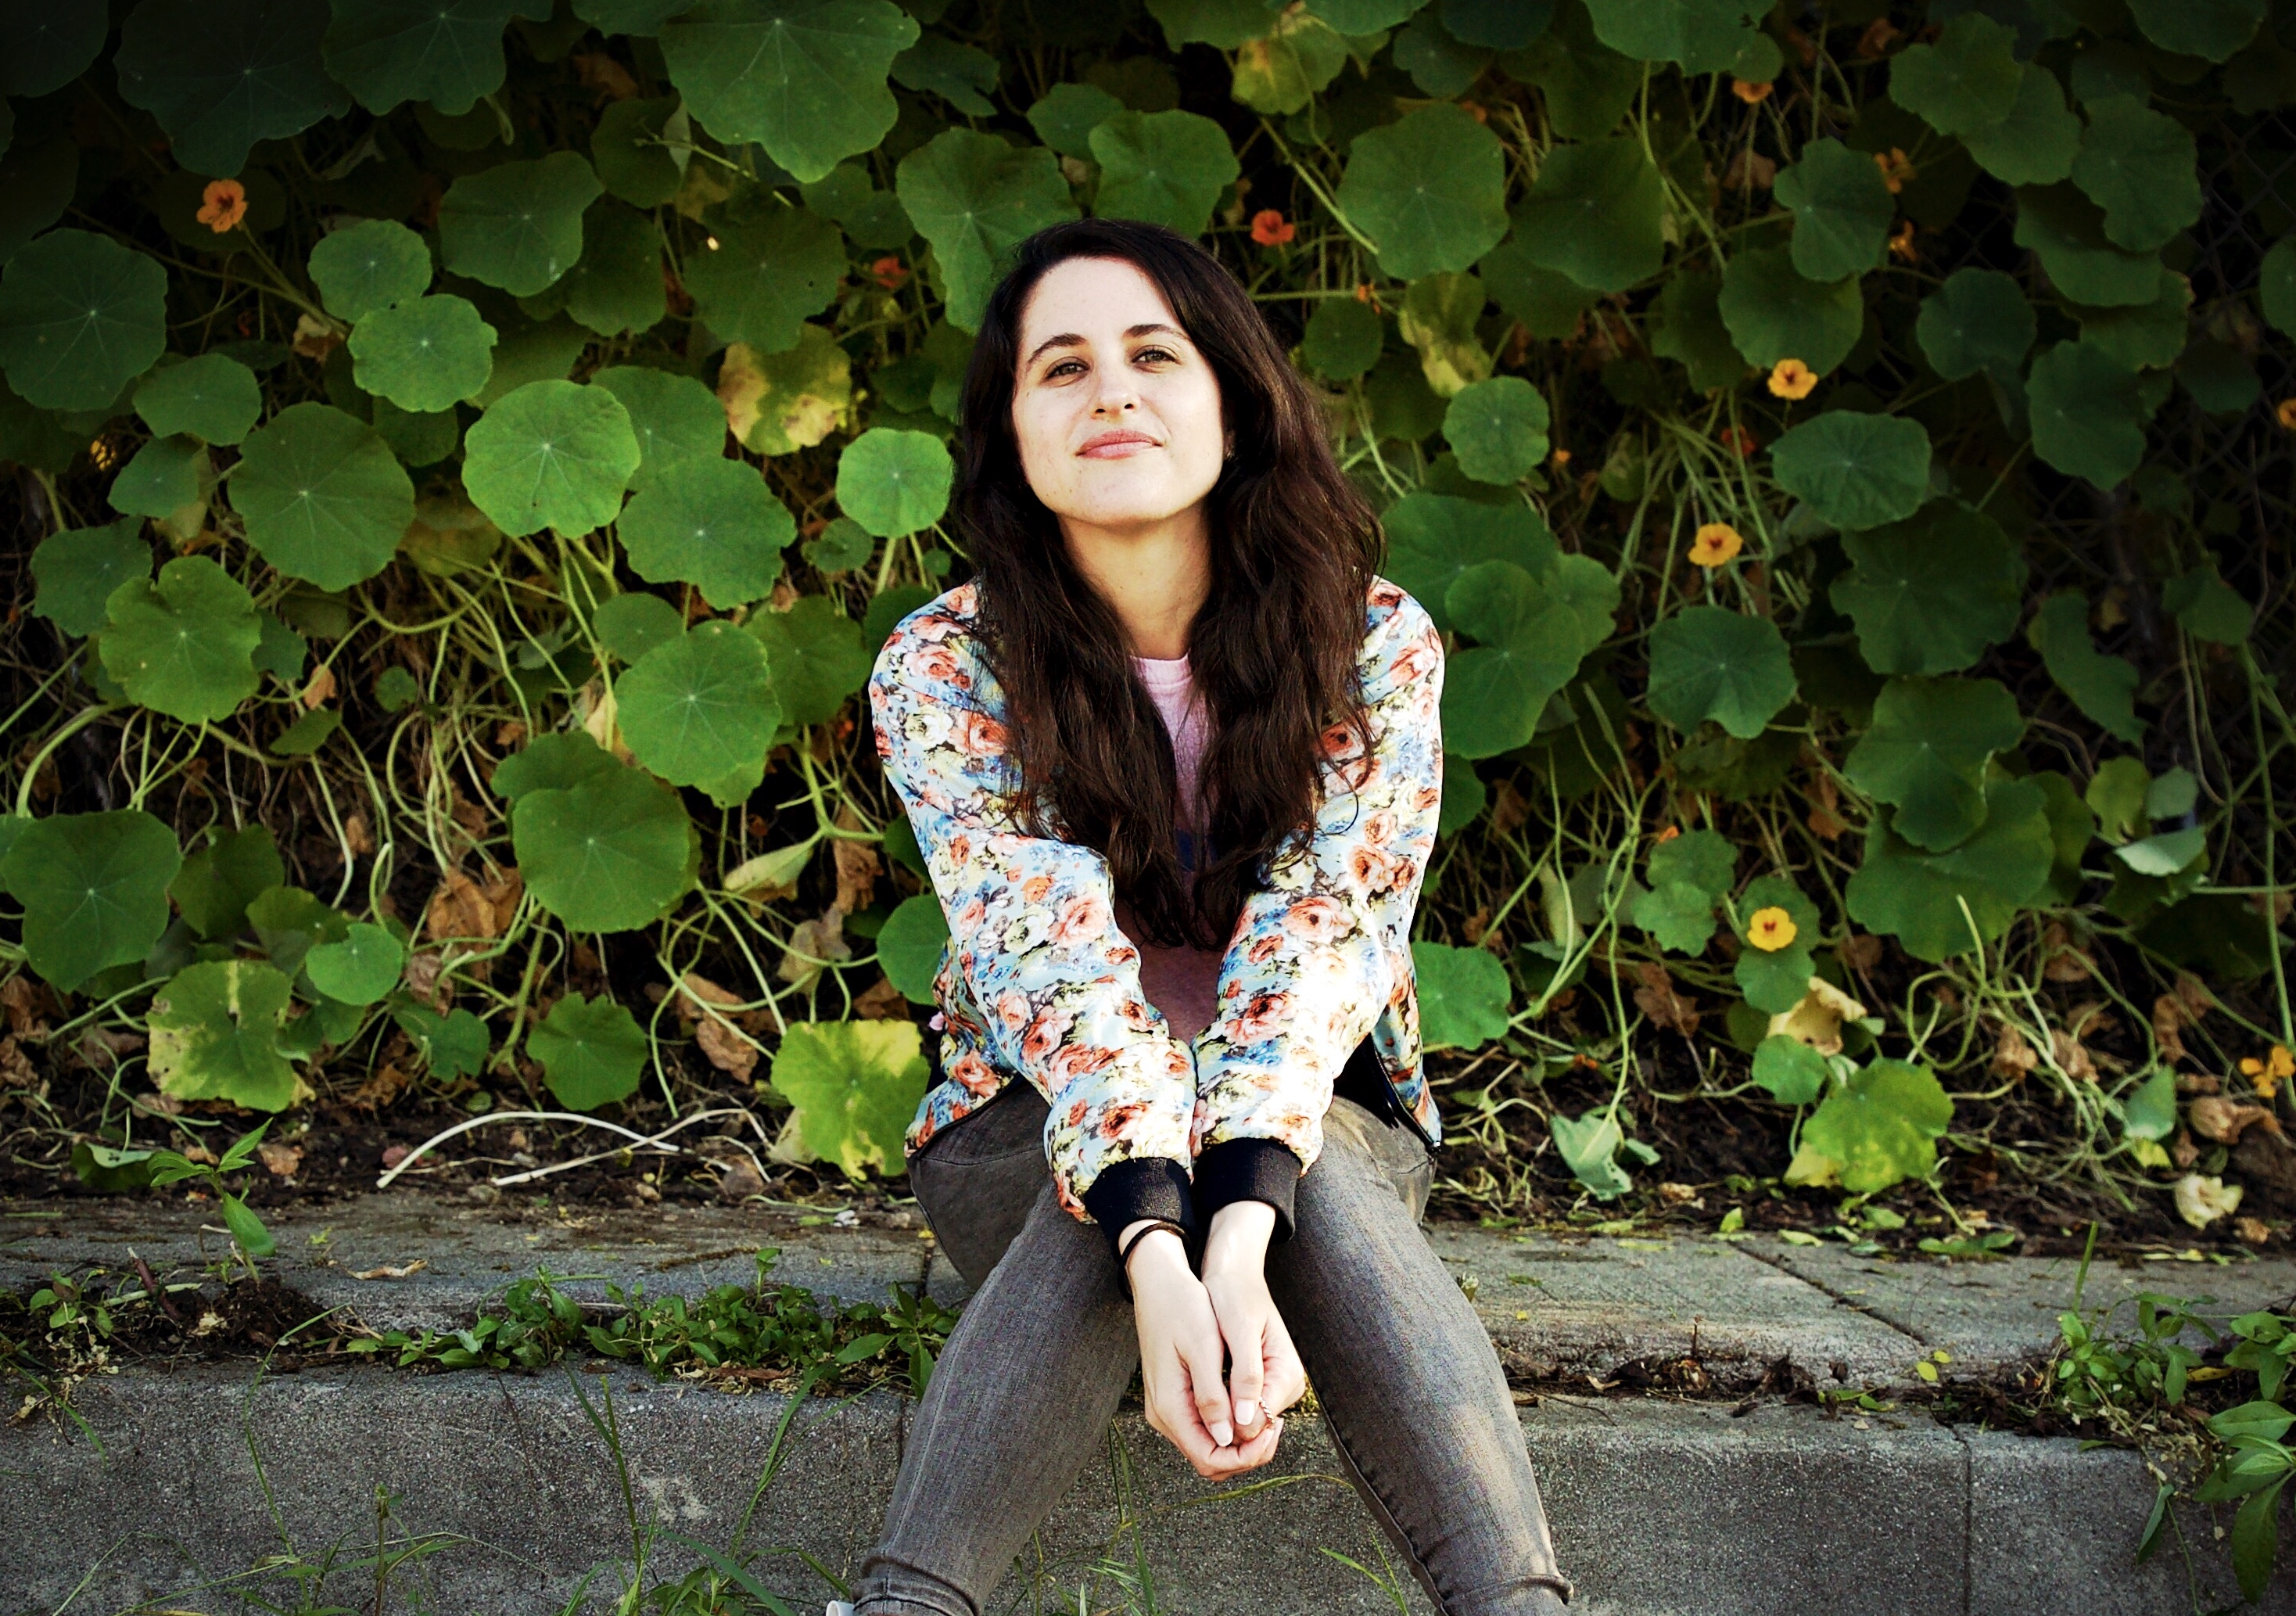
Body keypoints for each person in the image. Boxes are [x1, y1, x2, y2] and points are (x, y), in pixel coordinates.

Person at [842, 216, 1572, 1616]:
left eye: (1153, 354)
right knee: (1102, 1160)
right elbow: (1045, 959)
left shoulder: (1367, 641)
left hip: (1317, 1152)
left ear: (1233, 402)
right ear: (1013, 436)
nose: (1110, 389)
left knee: (1293, 1159)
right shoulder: (947, 666)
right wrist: (1157, 1238)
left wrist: (1231, 1232)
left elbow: (1323, 940)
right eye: (1060, 367)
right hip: (1023, 1133)